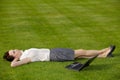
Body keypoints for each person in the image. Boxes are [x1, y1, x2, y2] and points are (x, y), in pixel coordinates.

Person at [3, 45, 116, 67]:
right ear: (15, 56)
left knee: (79, 56)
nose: (15, 49)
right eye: (13, 52)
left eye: (13, 50)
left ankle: (104, 55)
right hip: (54, 55)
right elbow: (13, 65)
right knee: (81, 51)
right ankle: (104, 50)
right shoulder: (24, 58)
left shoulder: (25, 51)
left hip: (54, 51)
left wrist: (16, 55)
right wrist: (16, 59)